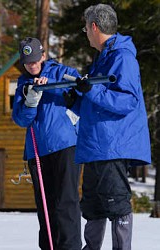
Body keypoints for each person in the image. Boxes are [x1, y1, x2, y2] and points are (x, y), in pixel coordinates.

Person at [70, 4, 151, 250]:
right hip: (96, 144)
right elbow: (97, 101)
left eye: (85, 27)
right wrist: (75, 100)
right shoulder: (103, 57)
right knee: (93, 205)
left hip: (112, 144)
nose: (85, 32)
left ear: (94, 27)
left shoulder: (122, 57)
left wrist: (91, 89)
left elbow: (127, 100)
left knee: (116, 202)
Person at [12, 37, 82, 250]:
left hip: (65, 145)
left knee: (66, 203)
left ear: (43, 55)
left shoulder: (61, 72)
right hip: (37, 151)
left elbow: (81, 92)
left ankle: (69, 247)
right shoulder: (23, 83)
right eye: (27, 62)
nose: (31, 65)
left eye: (34, 60)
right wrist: (31, 101)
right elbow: (21, 119)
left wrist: (72, 92)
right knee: (45, 205)